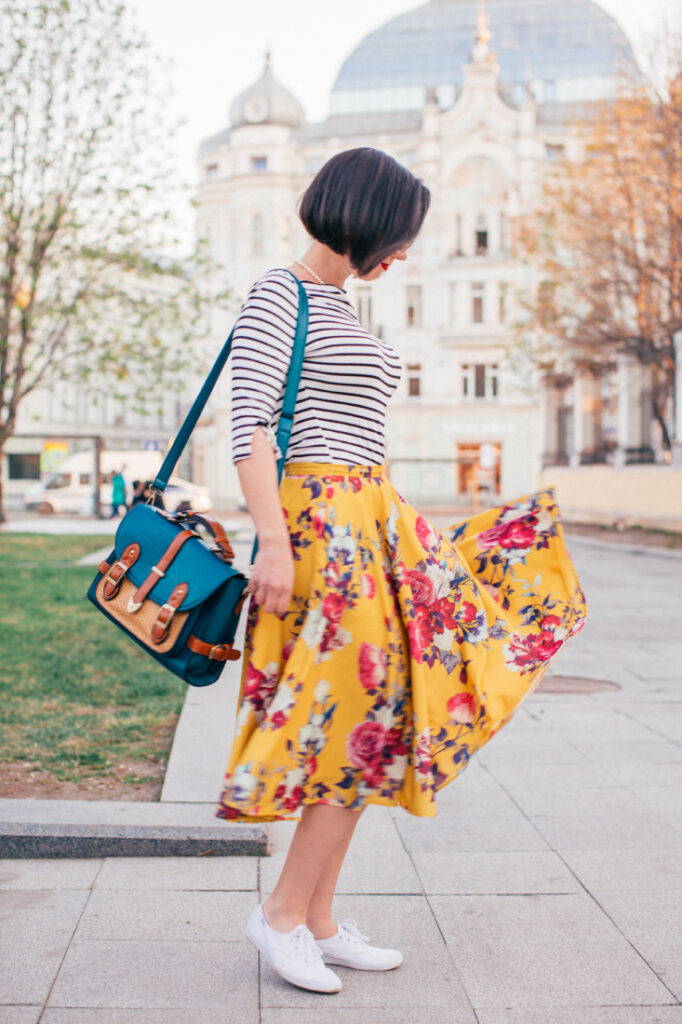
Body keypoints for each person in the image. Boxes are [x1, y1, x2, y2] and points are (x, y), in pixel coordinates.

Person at [215, 147, 587, 994]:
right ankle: (278, 918)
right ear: (366, 216)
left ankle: (317, 918)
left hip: (370, 526)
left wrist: (403, 531)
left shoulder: (341, 307)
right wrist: (271, 540)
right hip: (316, 537)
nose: (405, 253)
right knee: (353, 729)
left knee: (382, 721)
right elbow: (251, 429)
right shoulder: (282, 293)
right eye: (401, 235)